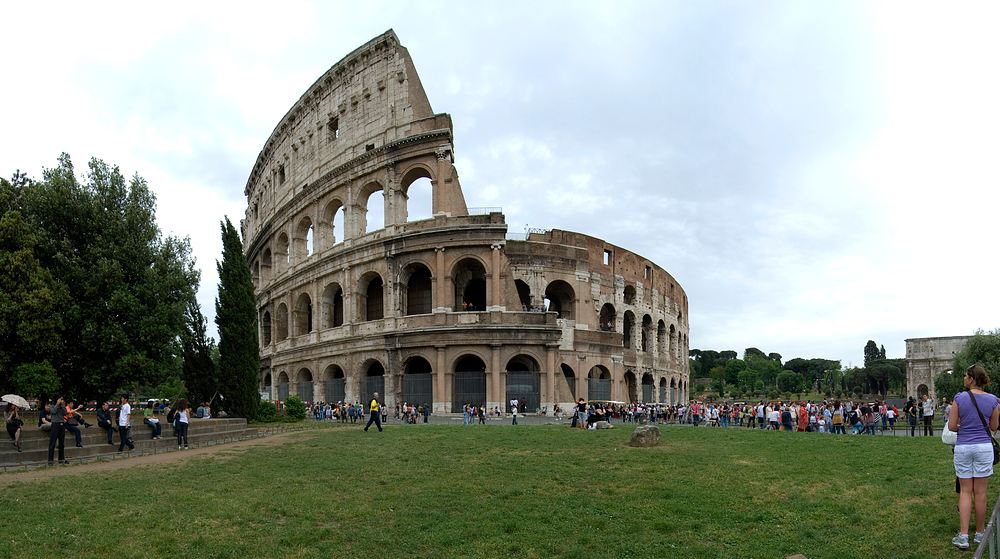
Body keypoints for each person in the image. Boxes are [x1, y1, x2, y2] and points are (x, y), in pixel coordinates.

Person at [949, 365, 1000, 550]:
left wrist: (965, 425)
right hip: (984, 447)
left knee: (965, 491)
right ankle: (980, 534)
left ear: (971, 379)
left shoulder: (959, 398)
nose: (964, 378)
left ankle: (963, 536)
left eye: (965, 376)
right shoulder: (994, 400)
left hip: (964, 447)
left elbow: (952, 426)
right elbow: (994, 426)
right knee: (981, 492)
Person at [48, 395, 68, 466]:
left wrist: (62, 406)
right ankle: (50, 460)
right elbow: (53, 411)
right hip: (55, 424)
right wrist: (57, 404)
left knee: (61, 443)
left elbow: (65, 413)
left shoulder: (61, 407)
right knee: (52, 443)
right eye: (60, 399)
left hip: (62, 424)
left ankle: (61, 458)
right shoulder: (52, 406)